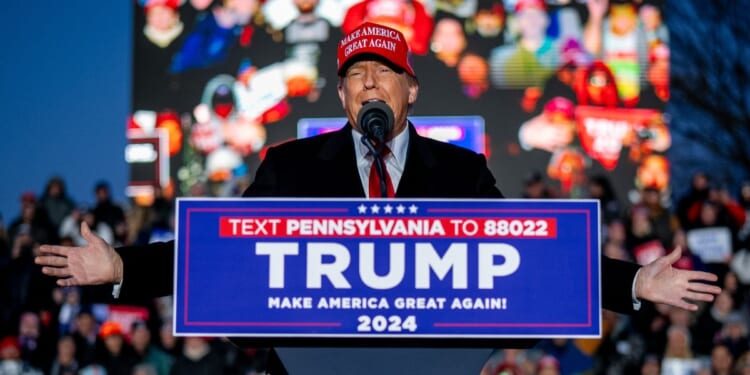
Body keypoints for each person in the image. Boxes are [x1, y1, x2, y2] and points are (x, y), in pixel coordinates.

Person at [37, 20, 721, 372]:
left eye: (383, 72)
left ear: (411, 88)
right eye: (356, 74)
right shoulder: (292, 166)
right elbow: (218, 260)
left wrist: (632, 280)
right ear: (341, 93)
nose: (369, 84)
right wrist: (123, 267)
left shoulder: (461, 172)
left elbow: (528, 265)